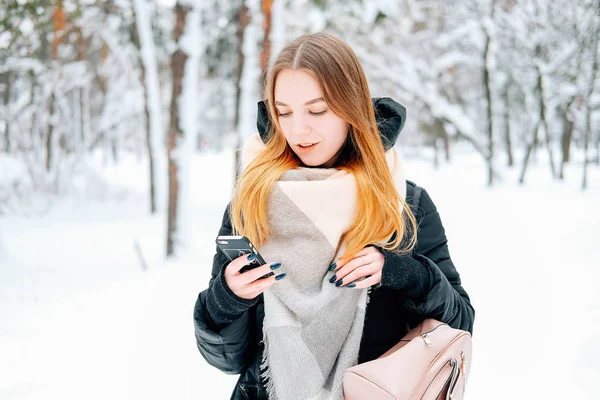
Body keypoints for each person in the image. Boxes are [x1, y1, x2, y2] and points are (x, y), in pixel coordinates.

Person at [193, 32, 475, 400]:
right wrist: (226, 298)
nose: (298, 129)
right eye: (284, 112)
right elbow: (229, 360)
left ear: (350, 106)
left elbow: (461, 325)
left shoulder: (404, 203)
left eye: (317, 110)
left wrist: (407, 273)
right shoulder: (252, 200)